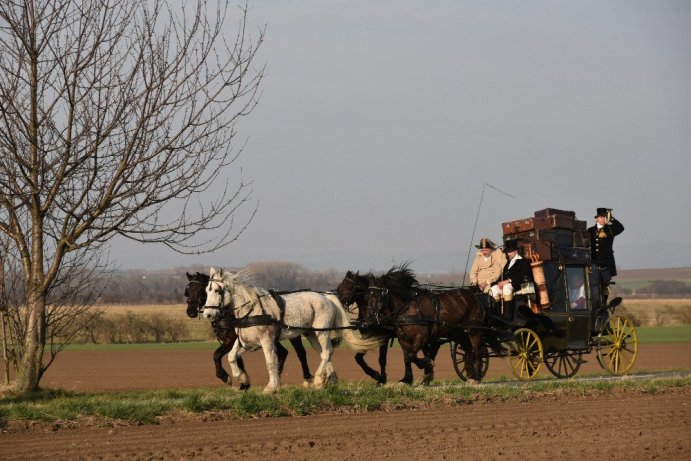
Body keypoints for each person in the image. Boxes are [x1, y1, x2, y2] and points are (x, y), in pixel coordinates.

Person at [587, 208, 624, 277]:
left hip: (607, 262)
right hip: (595, 261)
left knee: (605, 282)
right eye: (601, 217)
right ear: (596, 219)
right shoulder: (590, 230)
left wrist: (612, 219)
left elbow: (621, 228)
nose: (603, 219)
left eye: (604, 217)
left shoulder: (610, 229)